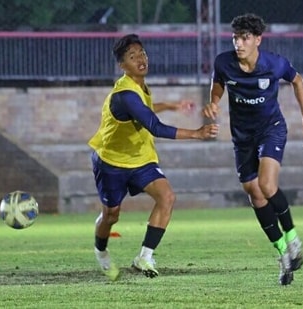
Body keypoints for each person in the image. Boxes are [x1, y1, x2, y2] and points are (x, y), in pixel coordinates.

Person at [88, 33, 219, 281]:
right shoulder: (124, 95)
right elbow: (155, 127)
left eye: (142, 53)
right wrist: (197, 133)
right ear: (122, 65)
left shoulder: (140, 86)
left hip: (141, 159)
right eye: (132, 56)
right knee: (111, 215)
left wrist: (170, 106)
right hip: (111, 162)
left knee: (167, 196)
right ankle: (101, 251)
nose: (141, 59)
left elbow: (145, 109)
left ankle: (144, 257)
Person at [203, 13, 303, 286]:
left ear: (257, 40)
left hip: (271, 128)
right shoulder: (224, 62)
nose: (238, 44)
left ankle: (293, 238)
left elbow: (297, 81)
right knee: (254, 194)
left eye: (245, 38)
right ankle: (282, 254)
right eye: (235, 38)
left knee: (266, 185)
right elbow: (218, 81)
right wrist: (214, 101)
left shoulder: (273, 64)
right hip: (242, 136)